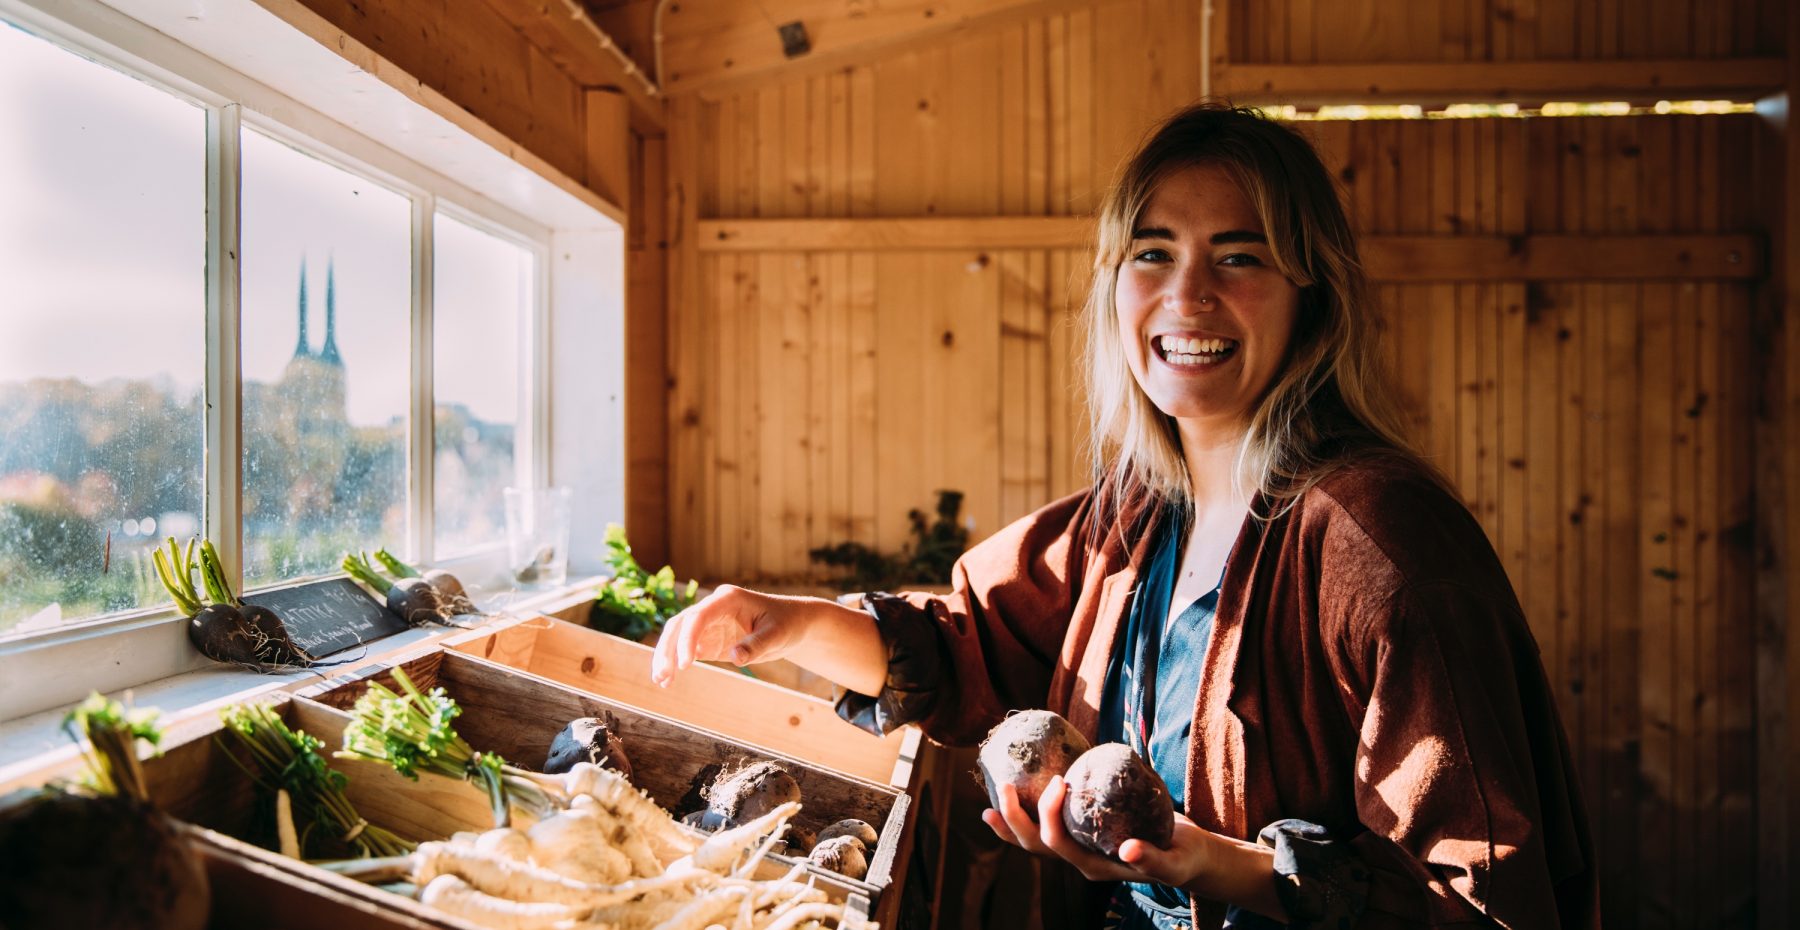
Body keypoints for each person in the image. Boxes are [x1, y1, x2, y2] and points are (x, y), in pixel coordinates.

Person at [650, 101, 1596, 930]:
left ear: (1313, 294)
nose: (1188, 294)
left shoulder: (1383, 543)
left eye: (1241, 255)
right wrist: (788, 623)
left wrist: (1204, 860)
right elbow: (974, 644)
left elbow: (1478, 901)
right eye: (1154, 252)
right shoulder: (1139, 513)